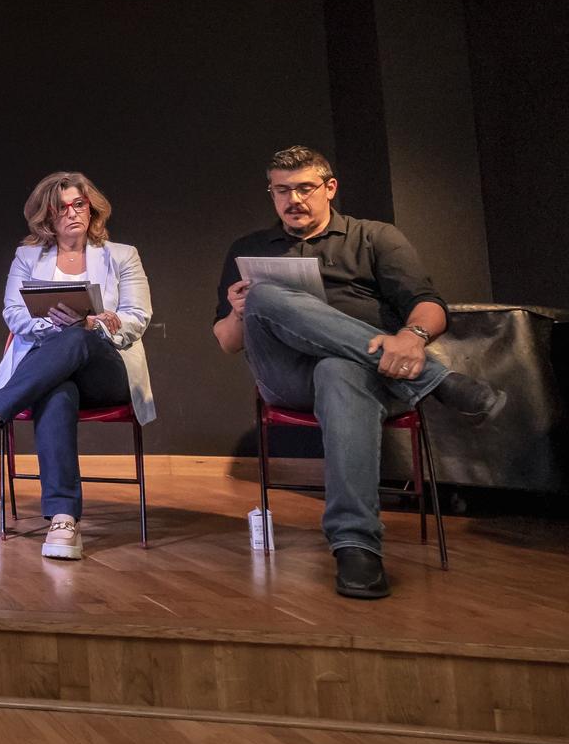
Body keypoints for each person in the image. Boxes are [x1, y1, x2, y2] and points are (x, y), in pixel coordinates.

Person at [213, 146, 504, 599]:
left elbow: (429, 306)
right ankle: (437, 382)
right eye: (282, 190)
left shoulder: (375, 238)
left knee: (338, 369)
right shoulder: (248, 249)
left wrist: (412, 338)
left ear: (330, 188)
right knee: (265, 297)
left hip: (373, 374)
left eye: (305, 188)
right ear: (271, 194)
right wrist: (238, 312)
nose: (294, 200)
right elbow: (229, 342)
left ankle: (356, 547)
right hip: (286, 377)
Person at [0, 172, 155, 560]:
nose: (73, 213)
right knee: (57, 390)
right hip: (52, 370)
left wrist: (93, 323)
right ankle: (63, 519)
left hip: (107, 371)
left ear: (92, 208)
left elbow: (137, 318)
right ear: (47, 217)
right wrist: (52, 323)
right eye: (63, 208)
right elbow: (13, 314)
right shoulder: (27, 258)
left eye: (80, 204)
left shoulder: (122, 255)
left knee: (79, 334)